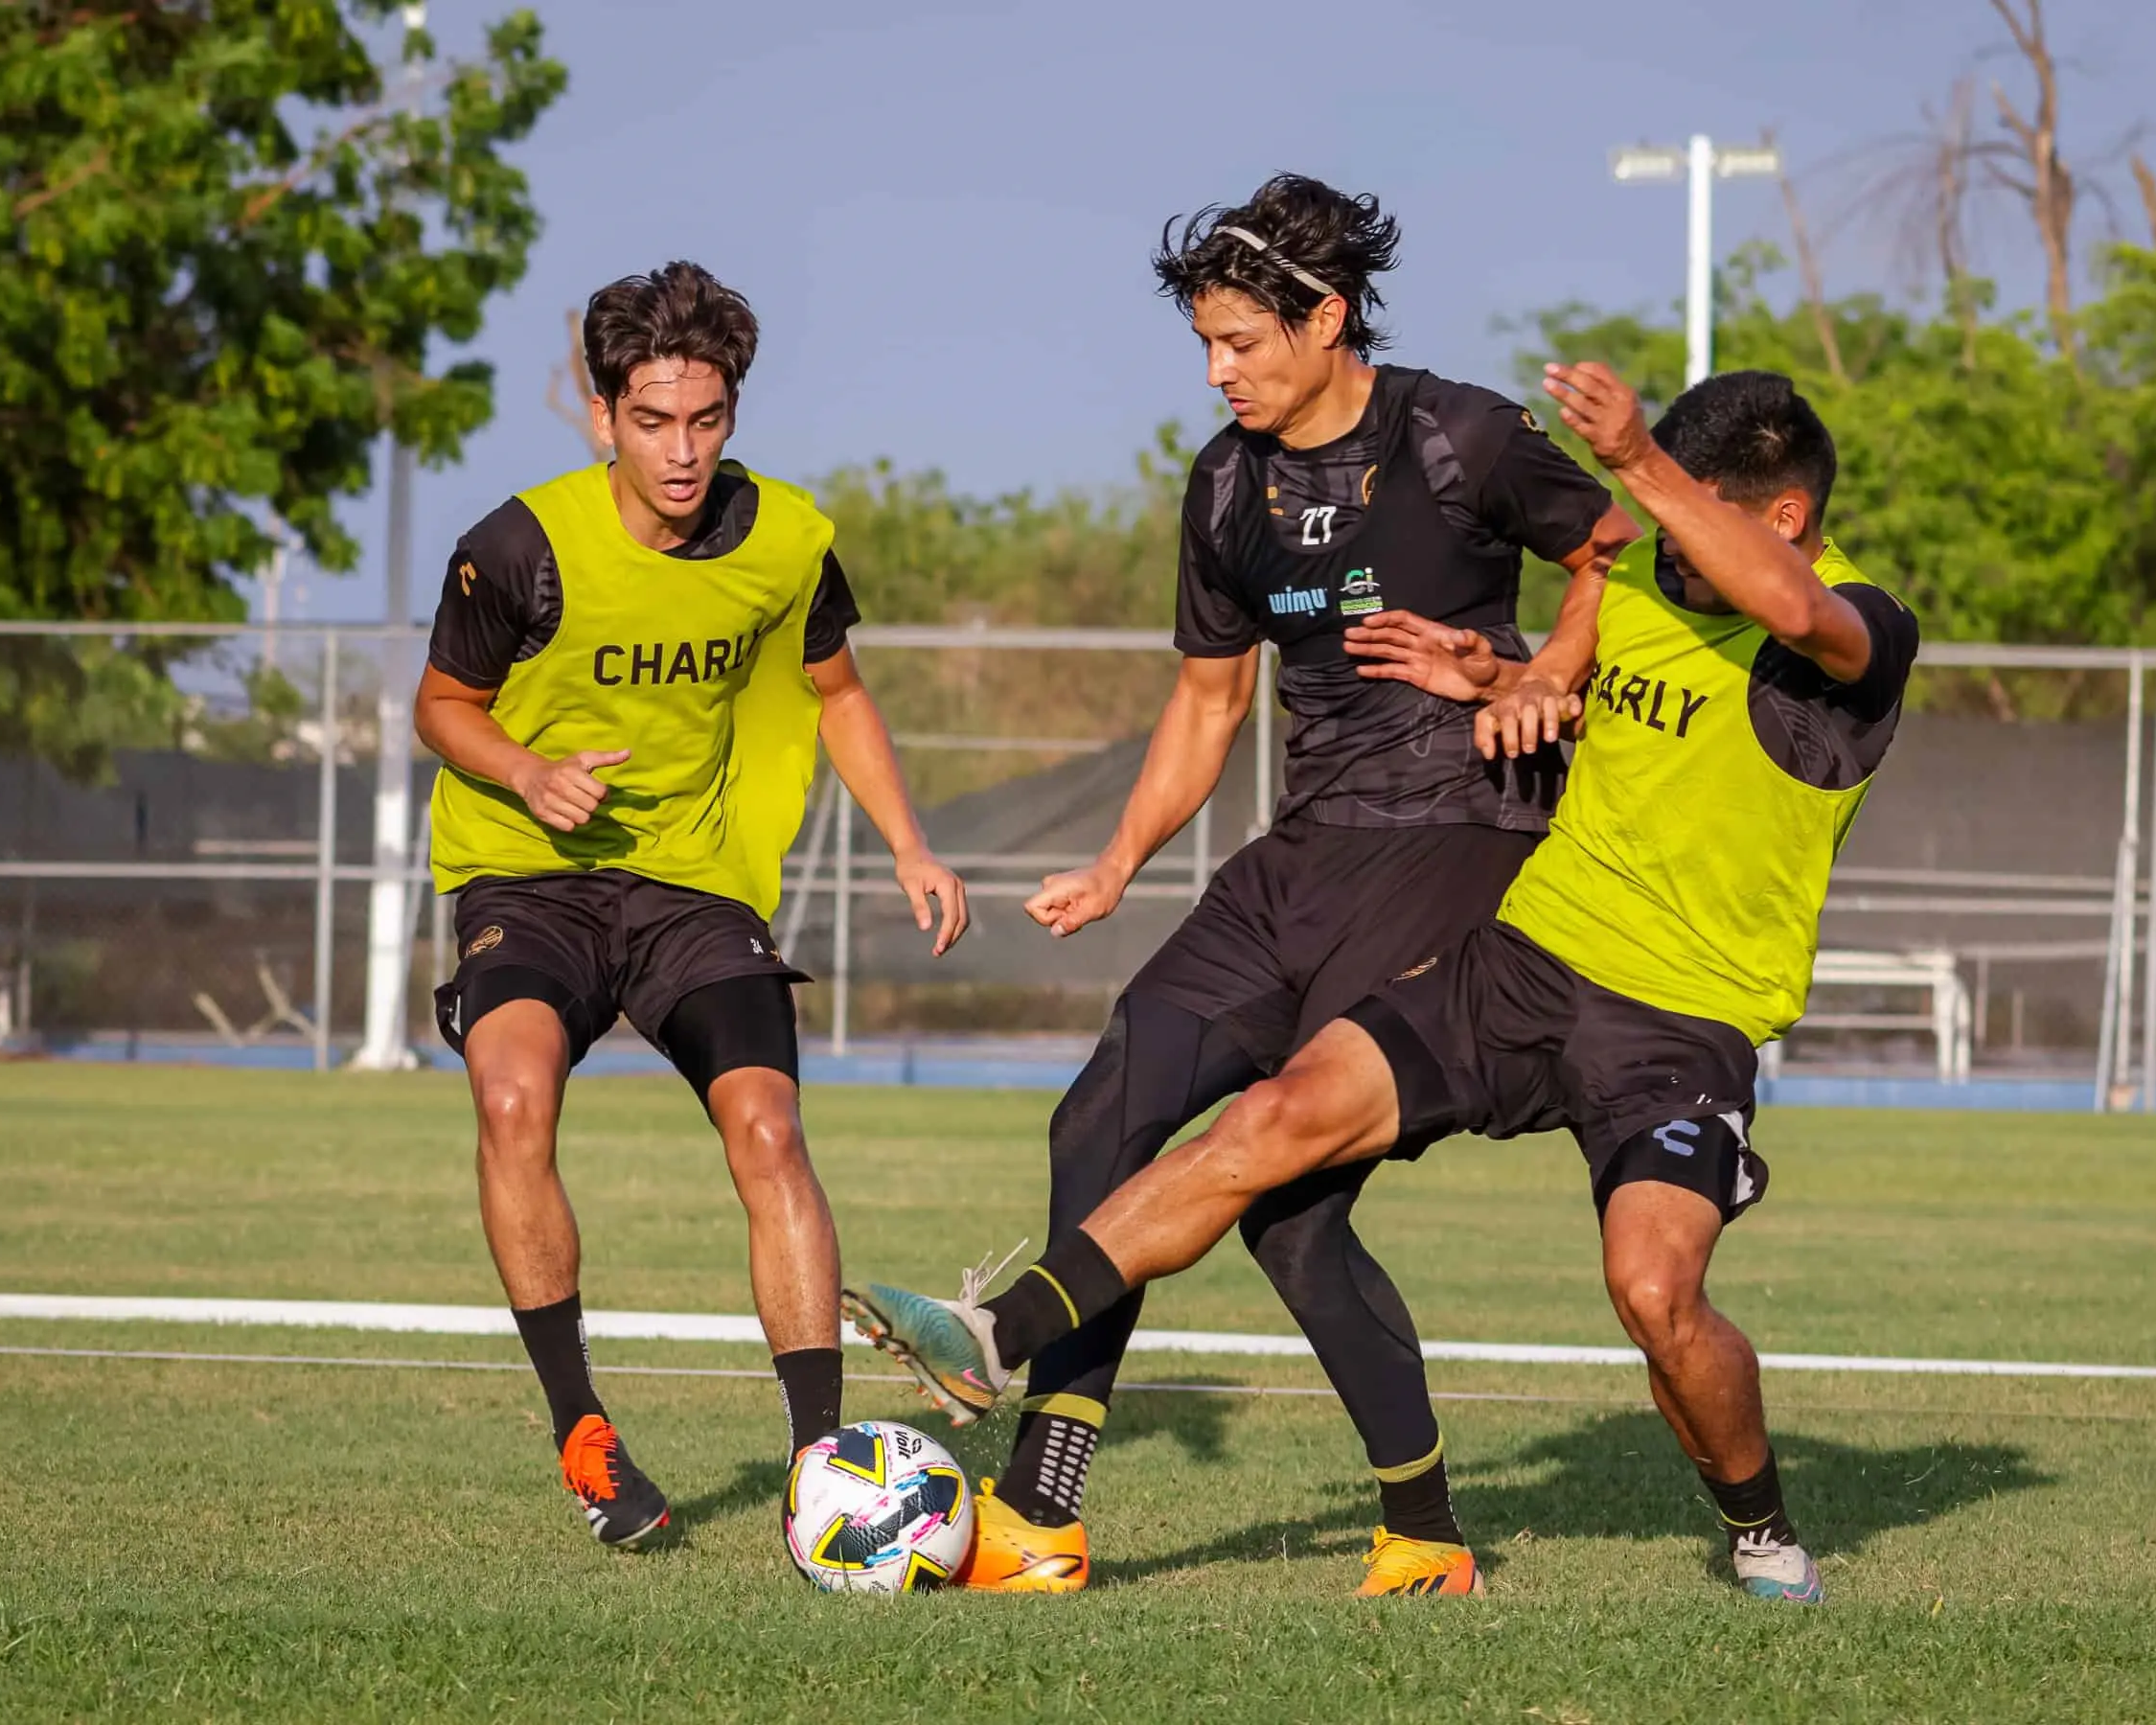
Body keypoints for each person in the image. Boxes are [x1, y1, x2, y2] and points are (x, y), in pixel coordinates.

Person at [848, 360, 1916, 1604]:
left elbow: (1795, 613)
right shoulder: (1632, 586)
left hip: (1683, 1021)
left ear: (1779, 517)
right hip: (1530, 960)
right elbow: (1554, 690)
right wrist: (1491, 681)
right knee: (1277, 1120)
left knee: (1655, 1292)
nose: (1659, 549)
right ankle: (993, 1339)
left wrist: (1635, 466)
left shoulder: (1857, 627)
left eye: (1694, 520)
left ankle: (1759, 1525)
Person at [845, 173, 1636, 1598]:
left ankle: (1424, 1532)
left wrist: (1548, 676)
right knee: (1104, 1112)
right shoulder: (1226, 482)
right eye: (1204, 345)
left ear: (1327, 317)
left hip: (1458, 840)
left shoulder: (1459, 434)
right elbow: (1208, 709)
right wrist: (1113, 864)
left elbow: (1619, 556)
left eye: (1241, 344)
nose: (1219, 372)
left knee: (1289, 1209)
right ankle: (1044, 1515)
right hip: (1301, 856)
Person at [419, 261, 968, 1550]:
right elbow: (441, 707)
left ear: (732, 411)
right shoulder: (519, 547)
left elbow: (837, 691)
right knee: (512, 1094)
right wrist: (524, 768)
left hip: (692, 883)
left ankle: (827, 1466)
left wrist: (911, 845)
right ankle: (581, 1428)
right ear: (604, 414)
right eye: (654, 421)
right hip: (528, 872)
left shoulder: (784, 540)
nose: (682, 451)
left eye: (707, 420)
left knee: (768, 1131)